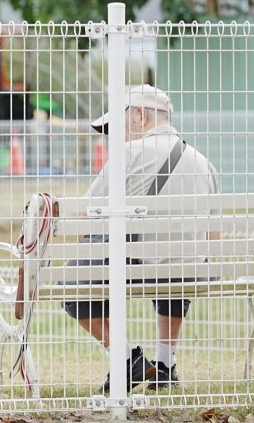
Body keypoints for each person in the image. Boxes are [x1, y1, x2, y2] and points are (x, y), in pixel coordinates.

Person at [65, 85, 220, 393]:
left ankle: (126, 360)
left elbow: (85, 216)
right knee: (178, 262)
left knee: (71, 283)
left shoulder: (128, 156)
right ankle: (164, 365)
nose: (116, 137)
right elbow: (212, 239)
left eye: (119, 126)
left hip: (140, 267)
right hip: (191, 272)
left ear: (139, 115)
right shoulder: (204, 163)